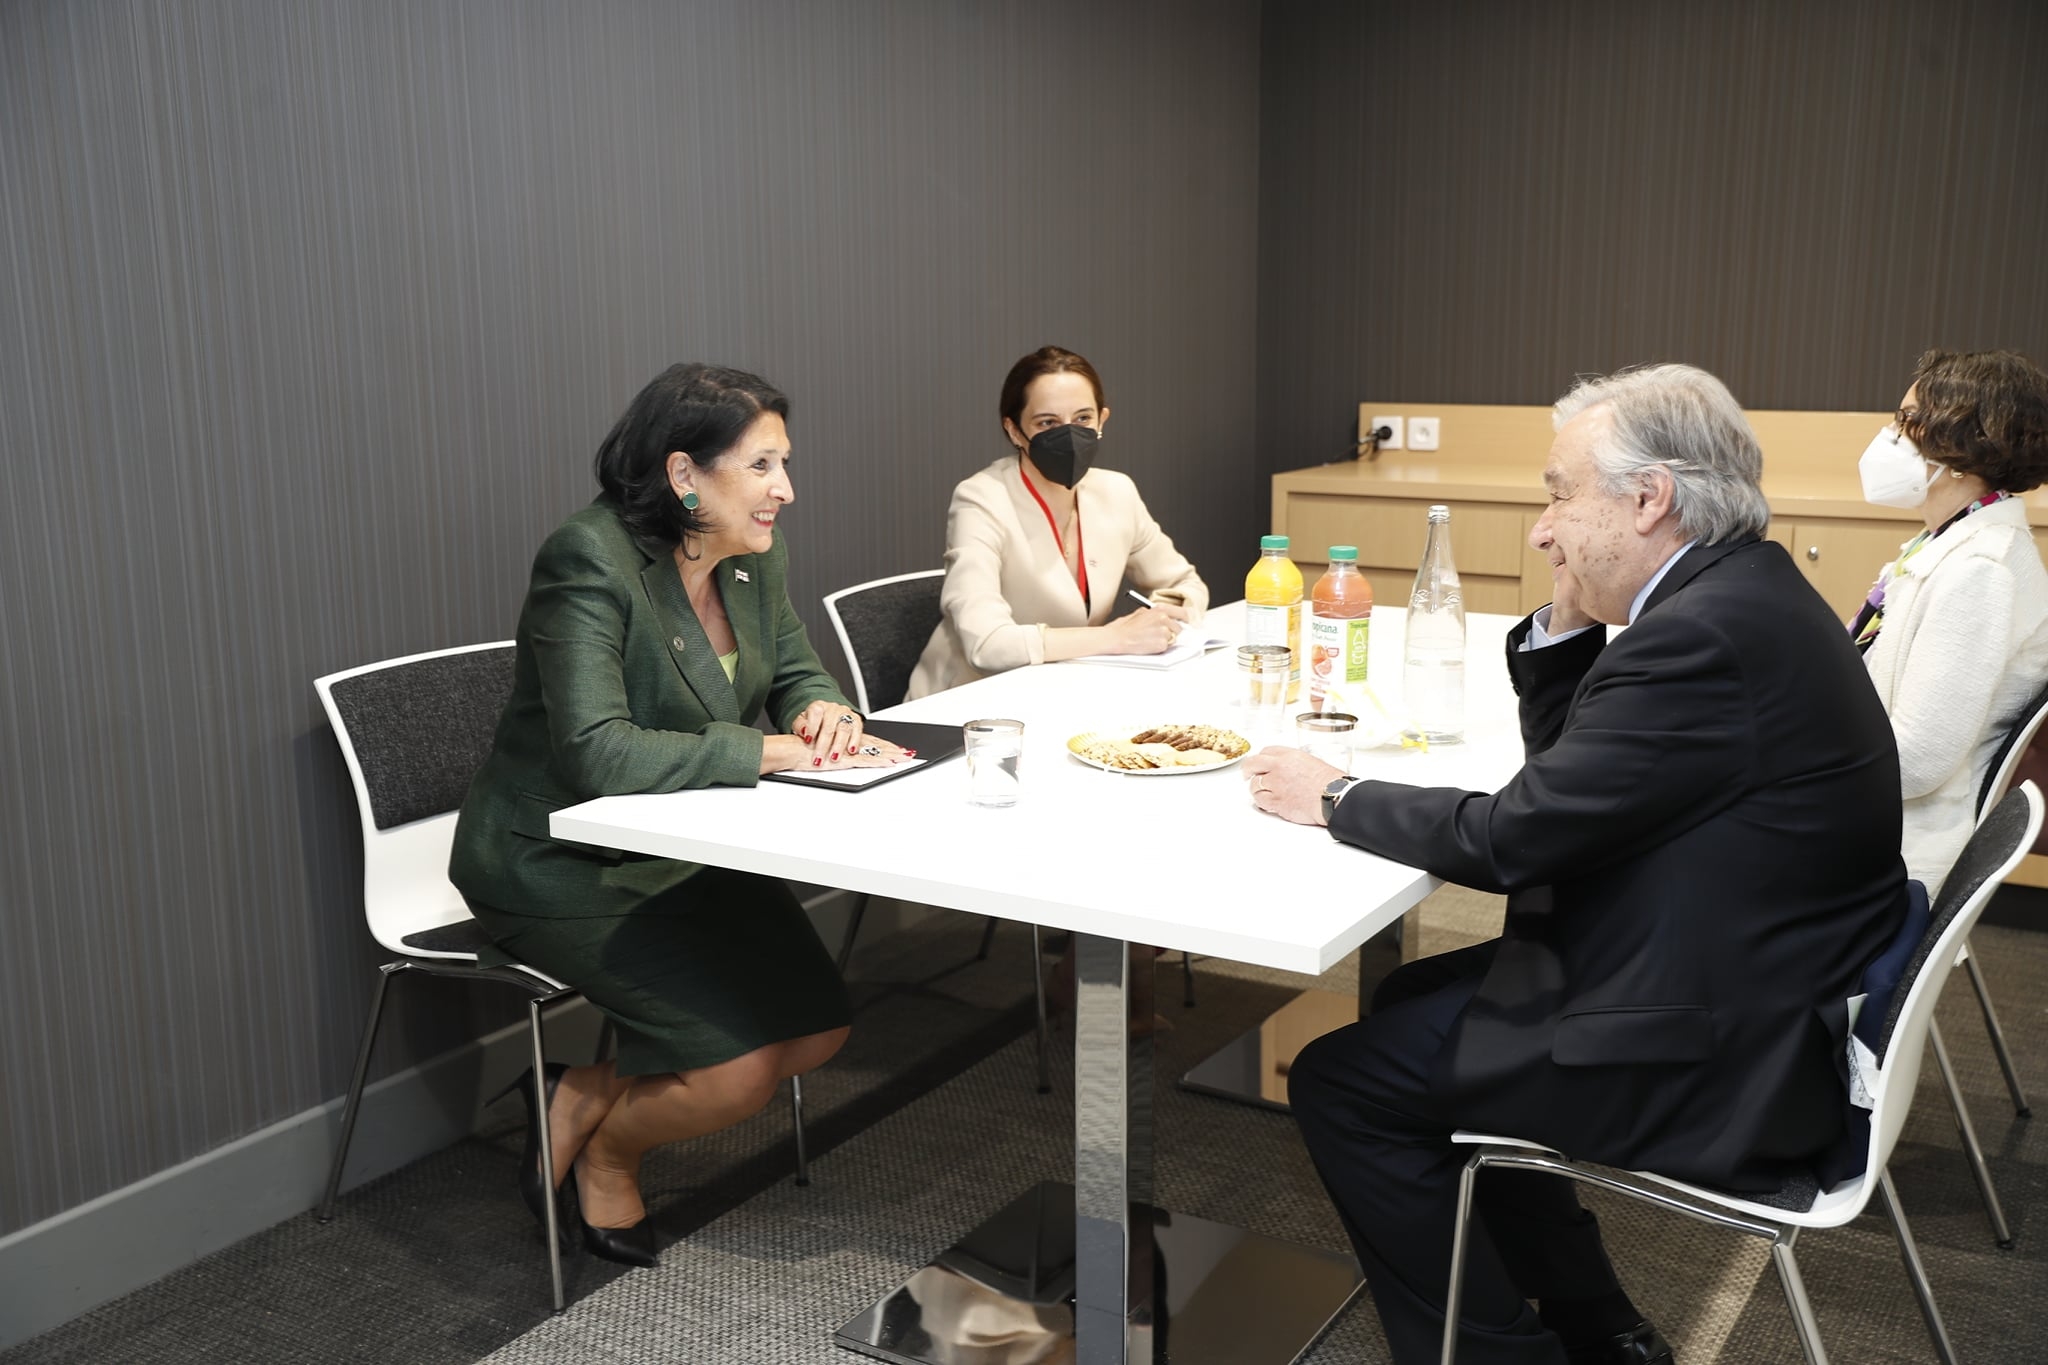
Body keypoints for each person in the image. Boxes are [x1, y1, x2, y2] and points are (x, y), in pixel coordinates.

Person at [1242, 364, 1909, 1365]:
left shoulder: (1700, 639)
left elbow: (1513, 839)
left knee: (1341, 1082)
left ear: (1649, 499)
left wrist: (1335, 795)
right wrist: (1564, 629)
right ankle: (1595, 1323)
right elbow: (1575, 796)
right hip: (1747, 971)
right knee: (1408, 998)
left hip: (1722, 1046)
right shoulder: (1742, 593)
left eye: (1558, 495)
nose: (1541, 531)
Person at [449, 363, 910, 1267]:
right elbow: (597, 751)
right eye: (762, 465)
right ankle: (610, 1158)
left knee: (820, 1026)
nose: (786, 488)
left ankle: (582, 1092)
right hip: (559, 857)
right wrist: (770, 751)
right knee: (737, 1068)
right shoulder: (587, 557)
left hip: (686, 839)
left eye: (785, 462)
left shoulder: (753, 552)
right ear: (684, 474)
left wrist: (825, 712)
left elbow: (794, 671)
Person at [1849, 348, 2048, 895]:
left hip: (1891, 854)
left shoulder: (1982, 571)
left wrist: (1795, 754)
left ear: (1963, 447)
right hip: (1868, 818)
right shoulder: (1945, 542)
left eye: (1906, 421)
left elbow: (1915, 761)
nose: (1890, 437)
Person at [905, 345, 1208, 699]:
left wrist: (1165, 615)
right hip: (969, 701)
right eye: (1047, 423)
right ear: (1014, 430)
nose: (1069, 435)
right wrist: (1115, 637)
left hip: (1067, 692)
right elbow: (987, 644)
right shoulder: (980, 498)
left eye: (1083, 418)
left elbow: (1184, 583)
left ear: (1102, 420)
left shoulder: (1117, 491)